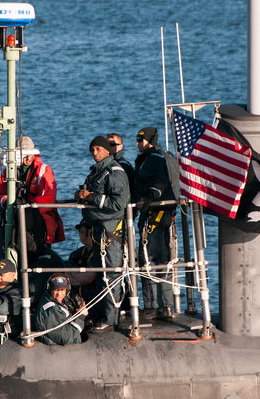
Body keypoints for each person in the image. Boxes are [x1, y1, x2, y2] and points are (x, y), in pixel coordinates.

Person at [74, 136, 130, 332]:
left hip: (111, 232)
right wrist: (81, 196)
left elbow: (118, 203)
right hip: (99, 231)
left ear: (107, 151)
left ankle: (111, 318)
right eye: (92, 150)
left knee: (111, 274)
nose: (94, 153)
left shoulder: (115, 172)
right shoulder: (97, 172)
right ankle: (102, 314)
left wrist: (92, 197)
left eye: (98, 149)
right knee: (101, 274)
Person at [133, 127, 180, 320]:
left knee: (148, 258)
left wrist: (148, 198)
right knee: (163, 259)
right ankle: (166, 305)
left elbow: (160, 182)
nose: (137, 143)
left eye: (140, 140)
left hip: (154, 216)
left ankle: (152, 306)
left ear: (149, 140)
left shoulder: (153, 159)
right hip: (164, 216)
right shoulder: (165, 157)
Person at [0, 136, 65, 247]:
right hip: (15, 223)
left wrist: (27, 204)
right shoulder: (7, 172)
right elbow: (0, 195)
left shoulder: (44, 170)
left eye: (30, 154)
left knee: (39, 253)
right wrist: (7, 202)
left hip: (40, 225)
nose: (28, 158)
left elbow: (49, 198)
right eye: (25, 155)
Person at [34, 274, 88, 346]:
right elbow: (67, 338)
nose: (59, 293)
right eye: (56, 290)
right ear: (50, 290)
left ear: (67, 290)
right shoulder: (50, 310)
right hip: (62, 351)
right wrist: (81, 316)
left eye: (62, 290)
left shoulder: (57, 301)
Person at [66, 220, 98, 303]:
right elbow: (67, 278)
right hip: (76, 300)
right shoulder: (75, 254)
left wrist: (75, 276)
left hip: (95, 300)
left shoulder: (101, 254)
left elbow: (87, 278)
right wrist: (79, 277)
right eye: (82, 232)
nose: (85, 236)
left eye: (89, 233)